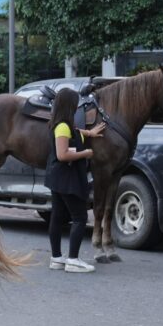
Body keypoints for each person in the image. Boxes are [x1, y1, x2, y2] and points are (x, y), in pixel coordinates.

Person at [44, 88, 105, 273]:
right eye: (75, 103)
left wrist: (89, 133)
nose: (78, 107)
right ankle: (73, 259)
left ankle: (56, 258)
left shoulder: (61, 124)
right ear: (69, 105)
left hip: (58, 178)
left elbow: (75, 132)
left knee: (57, 216)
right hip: (67, 178)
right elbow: (63, 155)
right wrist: (85, 153)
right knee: (80, 217)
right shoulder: (62, 126)